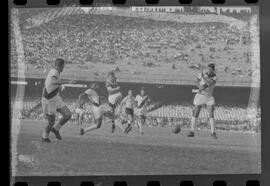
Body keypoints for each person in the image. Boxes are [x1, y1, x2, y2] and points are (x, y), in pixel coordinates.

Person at [41, 58, 75, 142]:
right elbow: (53, 81)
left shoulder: (56, 72)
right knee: (51, 122)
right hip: (49, 100)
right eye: (63, 66)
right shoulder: (54, 72)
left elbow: (51, 83)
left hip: (55, 97)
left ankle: (56, 129)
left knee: (67, 115)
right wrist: (67, 82)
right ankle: (44, 137)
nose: (63, 68)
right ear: (61, 66)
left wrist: (60, 86)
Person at [187, 63, 218, 139]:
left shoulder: (215, 77)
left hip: (209, 97)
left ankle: (213, 132)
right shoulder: (202, 73)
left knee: (211, 114)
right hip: (200, 96)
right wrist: (199, 86)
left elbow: (209, 84)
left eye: (210, 69)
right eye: (208, 69)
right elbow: (196, 82)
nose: (209, 70)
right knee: (195, 113)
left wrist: (204, 80)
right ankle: (192, 132)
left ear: (213, 70)